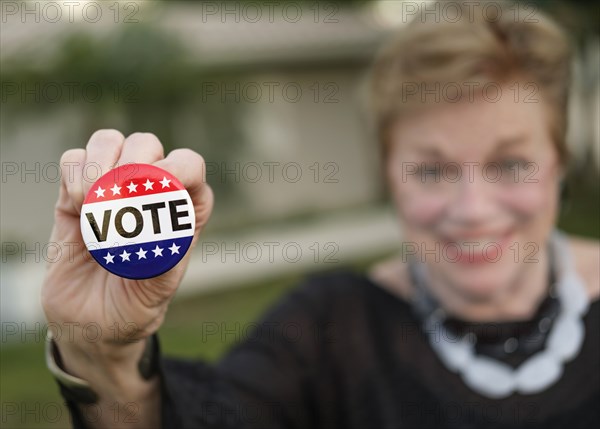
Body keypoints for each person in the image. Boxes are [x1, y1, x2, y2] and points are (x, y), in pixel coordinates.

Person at [42, 1, 599, 428]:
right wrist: (104, 354)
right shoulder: (329, 328)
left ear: (559, 162)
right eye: (432, 171)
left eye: (510, 164)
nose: (472, 210)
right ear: (390, 176)